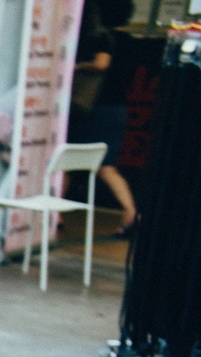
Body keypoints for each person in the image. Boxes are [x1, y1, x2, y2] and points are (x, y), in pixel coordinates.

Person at [70, 0, 138, 236]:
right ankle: (130, 213)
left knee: (70, 163)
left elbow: (101, 63)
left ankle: (50, 216)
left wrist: (77, 67)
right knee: (106, 165)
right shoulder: (132, 43)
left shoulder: (102, 38)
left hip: (94, 109)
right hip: (118, 107)